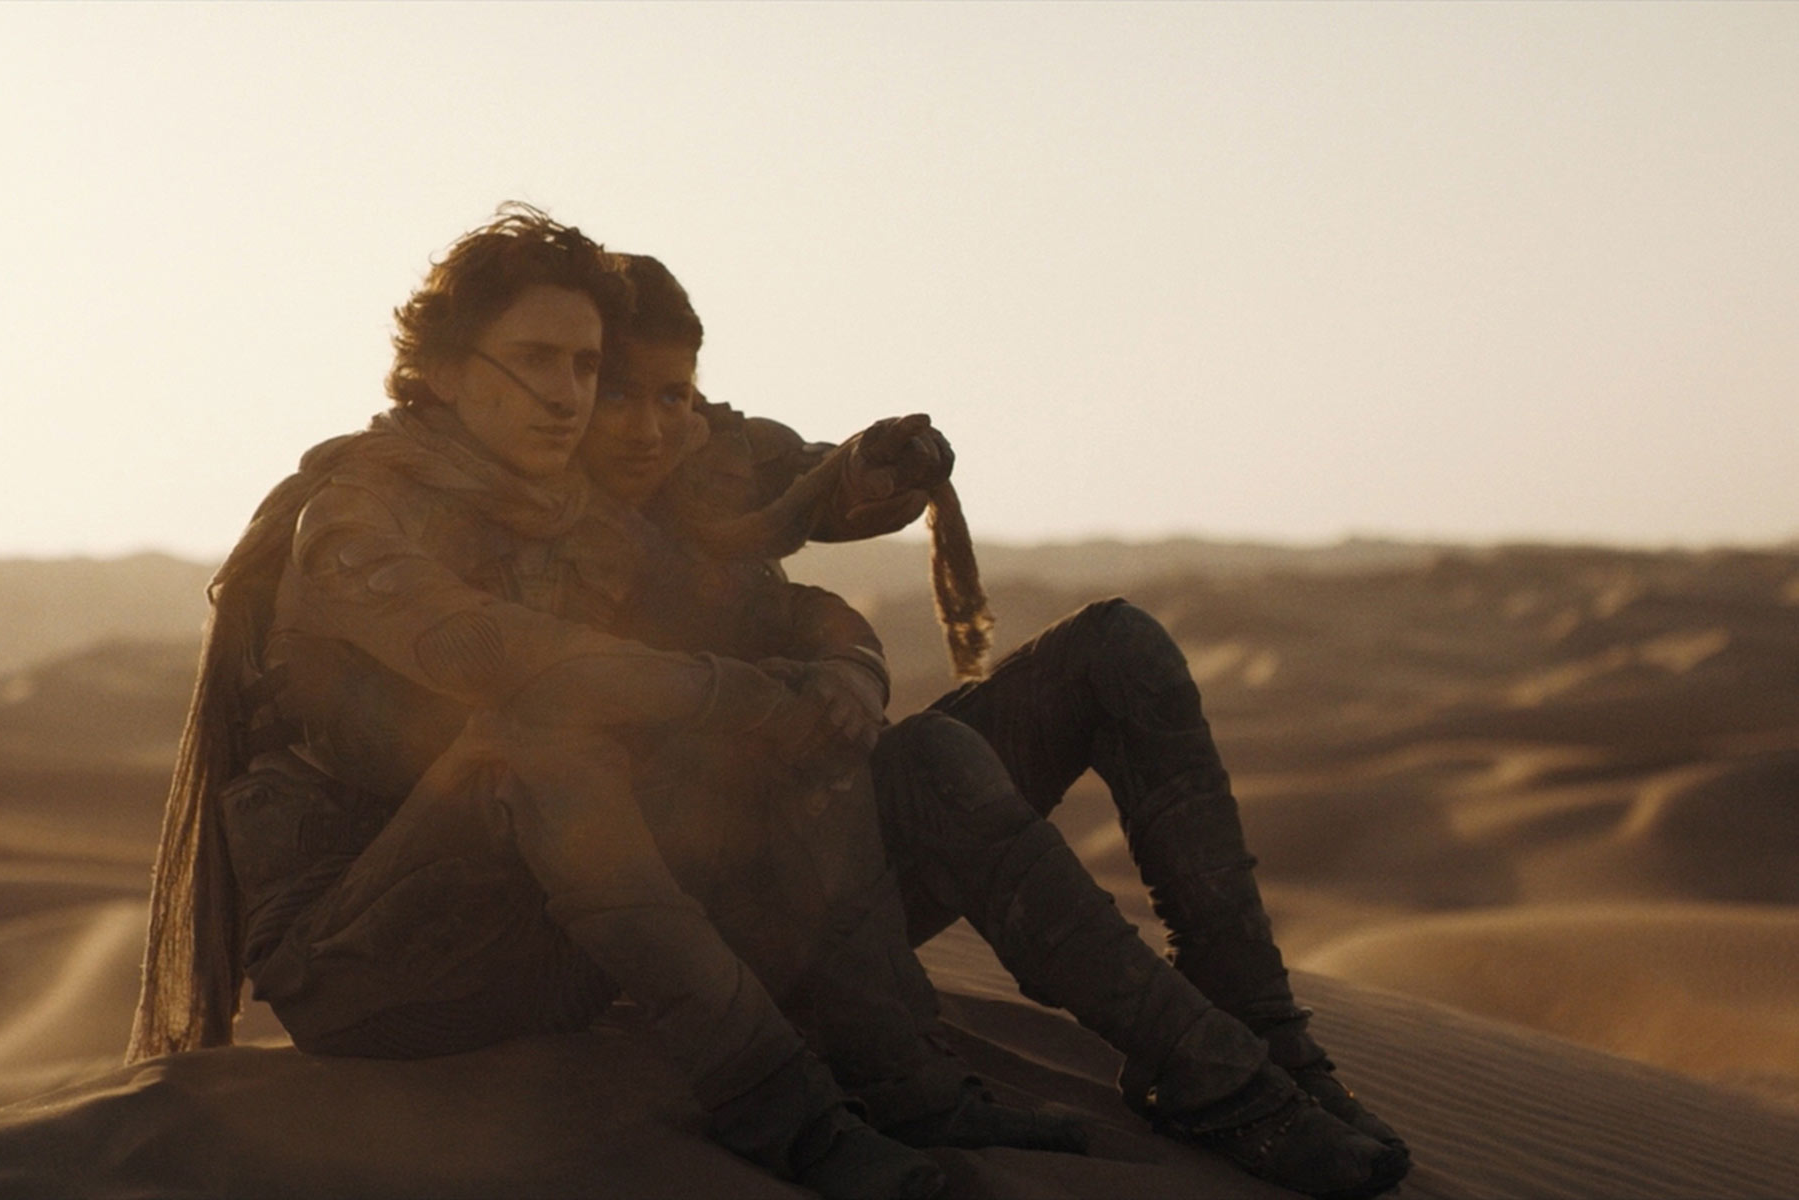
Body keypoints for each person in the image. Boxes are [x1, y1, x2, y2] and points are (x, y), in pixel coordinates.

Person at [131, 206, 1030, 1200]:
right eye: (534, 360)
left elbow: (754, 535)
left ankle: (902, 1075)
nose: (566, 397)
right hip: (362, 973)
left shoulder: (575, 512)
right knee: (544, 742)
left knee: (723, 743)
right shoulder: (355, 518)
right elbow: (532, 671)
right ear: (444, 366)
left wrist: (860, 507)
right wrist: (756, 697)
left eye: (584, 365)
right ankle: (796, 1126)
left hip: (532, 936)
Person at [578, 253, 1410, 1198]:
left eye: (673, 393)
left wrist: (886, 464)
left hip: (840, 851)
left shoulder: (714, 450)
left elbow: (830, 483)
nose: (649, 424)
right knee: (931, 759)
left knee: (1116, 647)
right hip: (718, 922)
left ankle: (1263, 1037)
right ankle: (1221, 1090)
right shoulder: (530, 514)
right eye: (612, 392)